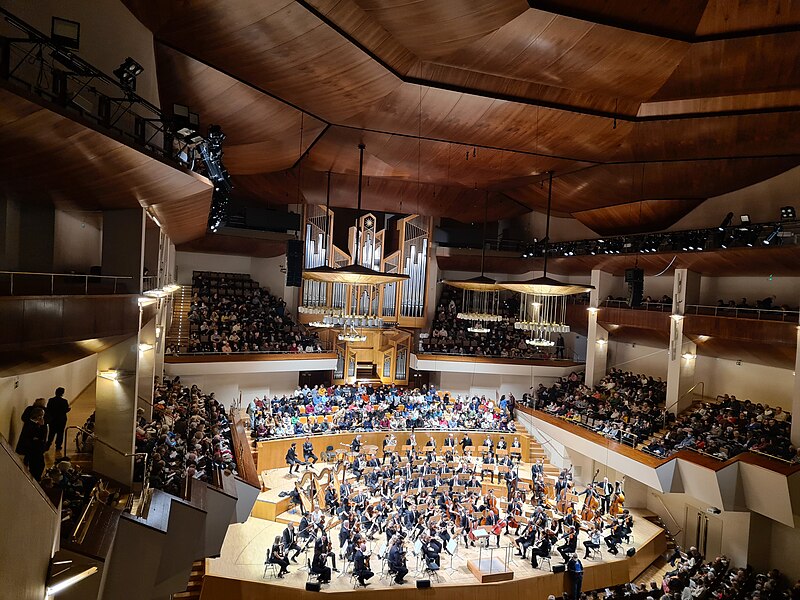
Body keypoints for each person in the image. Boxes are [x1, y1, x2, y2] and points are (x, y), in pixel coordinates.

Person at [16, 407, 48, 480]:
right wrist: (42, 426)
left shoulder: (34, 424)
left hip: (36, 449)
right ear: (39, 416)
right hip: (34, 450)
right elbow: (38, 437)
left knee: (39, 465)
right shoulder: (31, 425)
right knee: (36, 466)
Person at [45, 387, 70, 452]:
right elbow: (65, 410)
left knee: (51, 432)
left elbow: (48, 409)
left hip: (52, 419)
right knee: (60, 433)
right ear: (62, 393)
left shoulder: (51, 400)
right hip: (61, 419)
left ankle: (48, 444)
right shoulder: (64, 401)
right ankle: (58, 446)